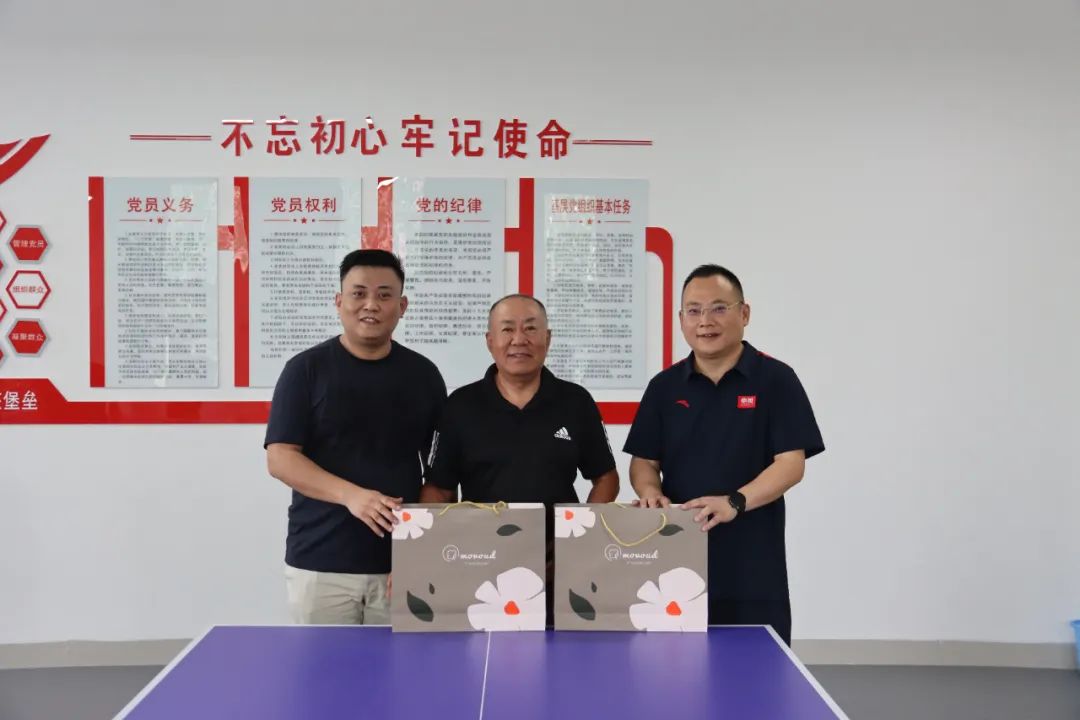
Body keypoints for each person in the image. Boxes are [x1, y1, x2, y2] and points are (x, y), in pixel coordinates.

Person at [624, 264, 823, 644]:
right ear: (681, 320)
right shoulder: (664, 387)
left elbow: (791, 464)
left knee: (756, 662)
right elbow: (645, 462)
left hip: (753, 557)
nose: (705, 321)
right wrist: (649, 491)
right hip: (676, 550)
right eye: (694, 311)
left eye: (719, 308)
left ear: (744, 313)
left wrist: (735, 502)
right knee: (673, 663)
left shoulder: (777, 380)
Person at [265, 249, 446, 624]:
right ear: (339, 301)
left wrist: (421, 552)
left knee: (402, 664)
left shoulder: (424, 375)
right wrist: (352, 496)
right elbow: (280, 457)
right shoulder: (305, 370)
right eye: (358, 293)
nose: (371, 305)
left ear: (402, 306)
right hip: (320, 564)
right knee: (323, 664)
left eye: (384, 295)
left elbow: (439, 472)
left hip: (399, 565)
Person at [420, 294, 619, 623]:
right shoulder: (460, 406)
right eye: (507, 329)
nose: (519, 340)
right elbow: (437, 489)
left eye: (530, 328)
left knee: (563, 652)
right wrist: (440, 551)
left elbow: (606, 477)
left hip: (559, 569)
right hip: (480, 566)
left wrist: (579, 540)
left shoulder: (575, 401)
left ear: (547, 338)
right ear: (490, 341)